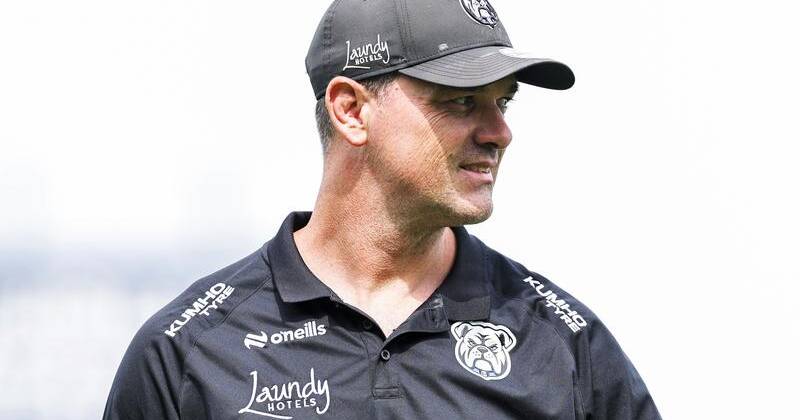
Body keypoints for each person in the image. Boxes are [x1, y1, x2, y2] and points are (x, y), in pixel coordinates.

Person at [104, 0, 662, 418]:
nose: (500, 133)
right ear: (351, 110)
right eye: (462, 101)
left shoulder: (565, 345)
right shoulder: (188, 354)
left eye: (503, 101)